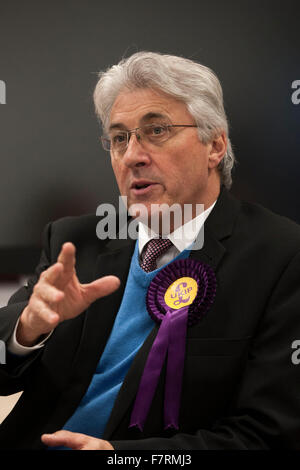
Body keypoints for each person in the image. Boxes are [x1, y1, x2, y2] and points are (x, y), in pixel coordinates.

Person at [0, 51, 300, 450]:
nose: (132, 156)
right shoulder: (74, 242)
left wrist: (122, 458)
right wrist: (29, 328)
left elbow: (267, 434)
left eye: (156, 131)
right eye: (119, 137)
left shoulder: (281, 255)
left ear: (215, 145)